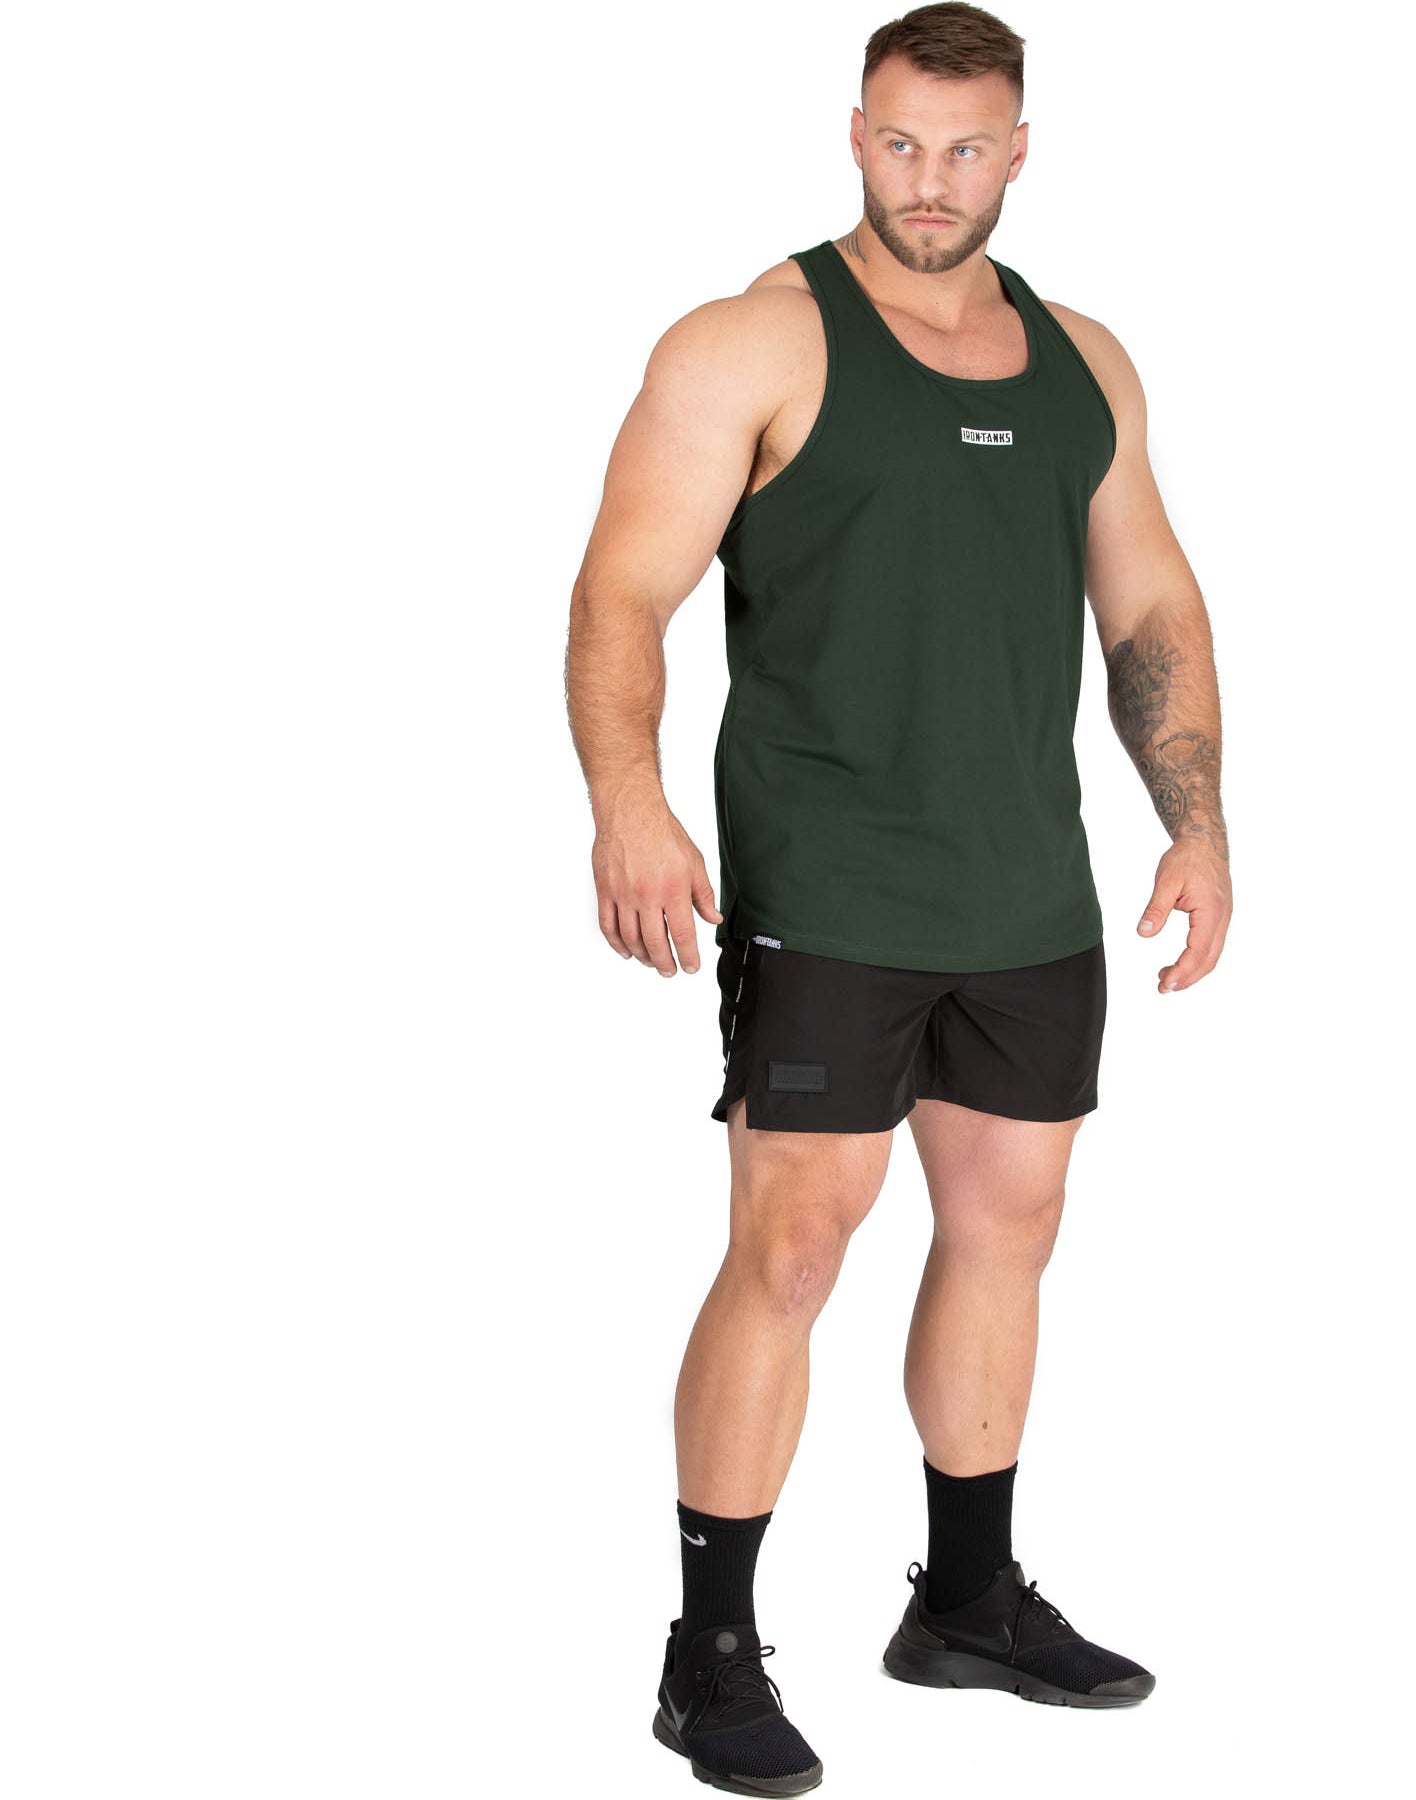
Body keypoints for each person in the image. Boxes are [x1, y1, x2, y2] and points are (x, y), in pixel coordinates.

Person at [565, 5, 1230, 1791]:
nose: (930, 181)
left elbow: (1149, 602)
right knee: (794, 1247)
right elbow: (621, 593)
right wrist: (628, 802)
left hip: (1025, 890)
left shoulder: (1087, 362)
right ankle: (707, 1654)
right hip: (827, 876)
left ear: (1020, 152)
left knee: (1012, 1226)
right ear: (855, 134)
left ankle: (967, 1600)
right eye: (900, 142)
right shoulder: (751, 341)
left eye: (966, 147)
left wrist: (1198, 821)